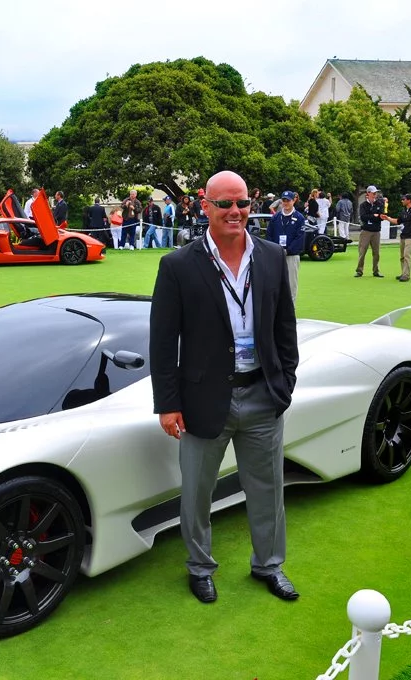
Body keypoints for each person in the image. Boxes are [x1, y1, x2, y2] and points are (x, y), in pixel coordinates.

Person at [149, 170, 299, 604]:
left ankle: (269, 565)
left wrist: (284, 383)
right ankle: (200, 567)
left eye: (242, 203)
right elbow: (163, 341)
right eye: (225, 203)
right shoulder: (178, 265)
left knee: (268, 490)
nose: (235, 211)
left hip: (263, 395)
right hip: (202, 399)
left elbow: (284, 326)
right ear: (205, 206)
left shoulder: (271, 256)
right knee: (197, 494)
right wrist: (168, 404)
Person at [267, 191, 306, 302]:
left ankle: (291, 309)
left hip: (291, 256)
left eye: (288, 200)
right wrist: (275, 250)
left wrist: (287, 251)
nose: (285, 203)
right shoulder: (276, 217)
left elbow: (299, 238)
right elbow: (269, 235)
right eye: (284, 200)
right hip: (276, 256)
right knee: (275, 283)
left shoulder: (299, 218)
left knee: (291, 285)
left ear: (293, 201)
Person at [383, 194, 411, 282]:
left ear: (409, 200)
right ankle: (403, 273)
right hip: (403, 235)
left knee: (406, 255)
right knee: (402, 256)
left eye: (404, 199)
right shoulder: (403, 211)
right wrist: (387, 218)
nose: (402, 201)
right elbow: (398, 221)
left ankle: (406, 275)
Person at [356, 185, 384, 277]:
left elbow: (381, 216)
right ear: (368, 193)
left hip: (376, 231)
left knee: (376, 253)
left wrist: (374, 216)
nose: (375, 194)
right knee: (362, 251)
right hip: (366, 231)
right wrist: (374, 216)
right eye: (373, 193)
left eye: (376, 193)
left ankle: (376, 271)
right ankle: (359, 271)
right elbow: (363, 217)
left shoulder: (379, 203)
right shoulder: (363, 205)